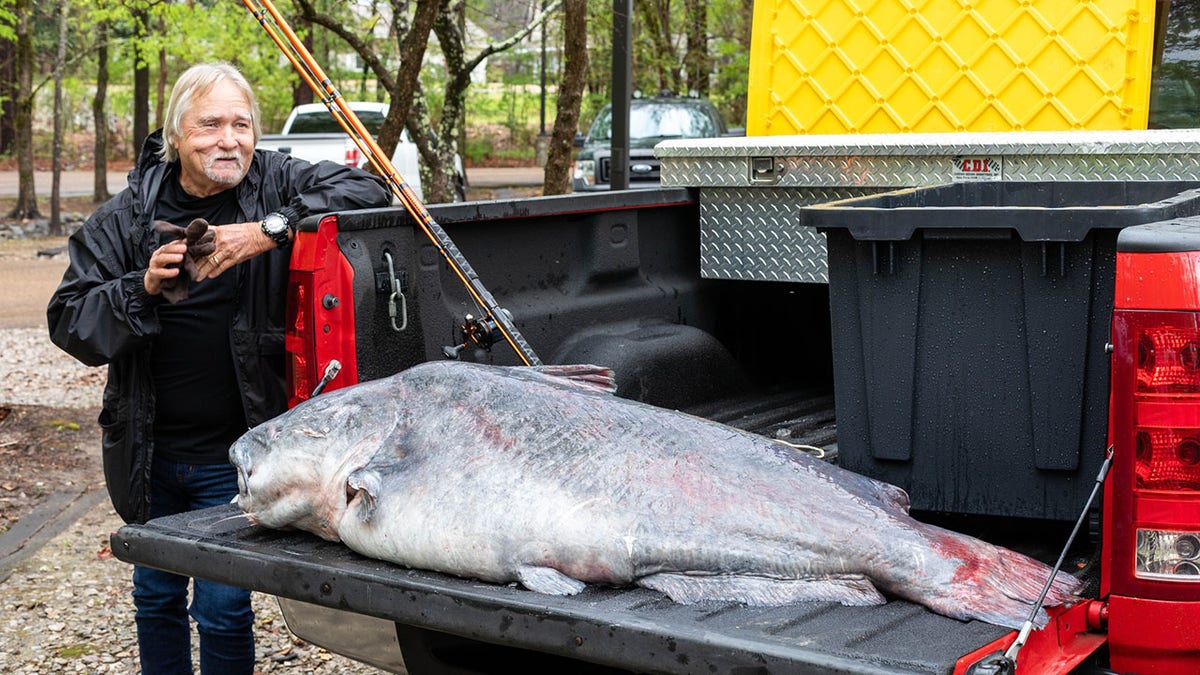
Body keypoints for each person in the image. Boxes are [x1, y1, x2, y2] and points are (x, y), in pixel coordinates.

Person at [47, 63, 390, 674]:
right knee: (155, 597)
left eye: (241, 124)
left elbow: (370, 189)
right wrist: (141, 287)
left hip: (237, 451)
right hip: (149, 450)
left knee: (226, 606)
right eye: (209, 124)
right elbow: (69, 321)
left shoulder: (276, 183)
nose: (228, 140)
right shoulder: (125, 217)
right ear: (176, 134)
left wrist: (270, 230)